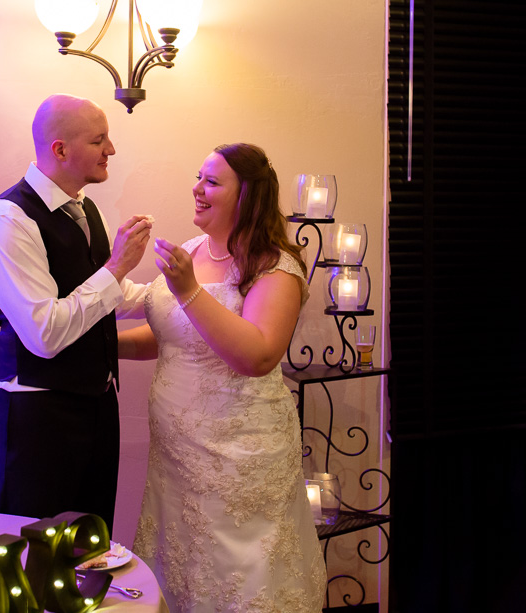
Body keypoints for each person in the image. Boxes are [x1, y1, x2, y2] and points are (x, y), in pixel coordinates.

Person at [120, 143, 326, 611]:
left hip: (240, 455)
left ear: (247, 195)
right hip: (176, 456)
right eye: (199, 177)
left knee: (243, 575)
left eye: (212, 182)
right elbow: (175, 334)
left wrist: (189, 289)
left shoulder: (275, 267)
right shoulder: (192, 250)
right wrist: (98, 346)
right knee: (183, 570)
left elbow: (256, 355)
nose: (197, 188)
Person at [0, 94, 151, 532]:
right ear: (61, 150)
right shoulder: (7, 221)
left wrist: (182, 294)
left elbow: (104, 293)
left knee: (91, 548)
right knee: (38, 554)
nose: (112, 150)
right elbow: (45, 333)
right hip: (39, 417)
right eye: (100, 139)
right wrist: (117, 266)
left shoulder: (85, 206)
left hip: (99, 406)